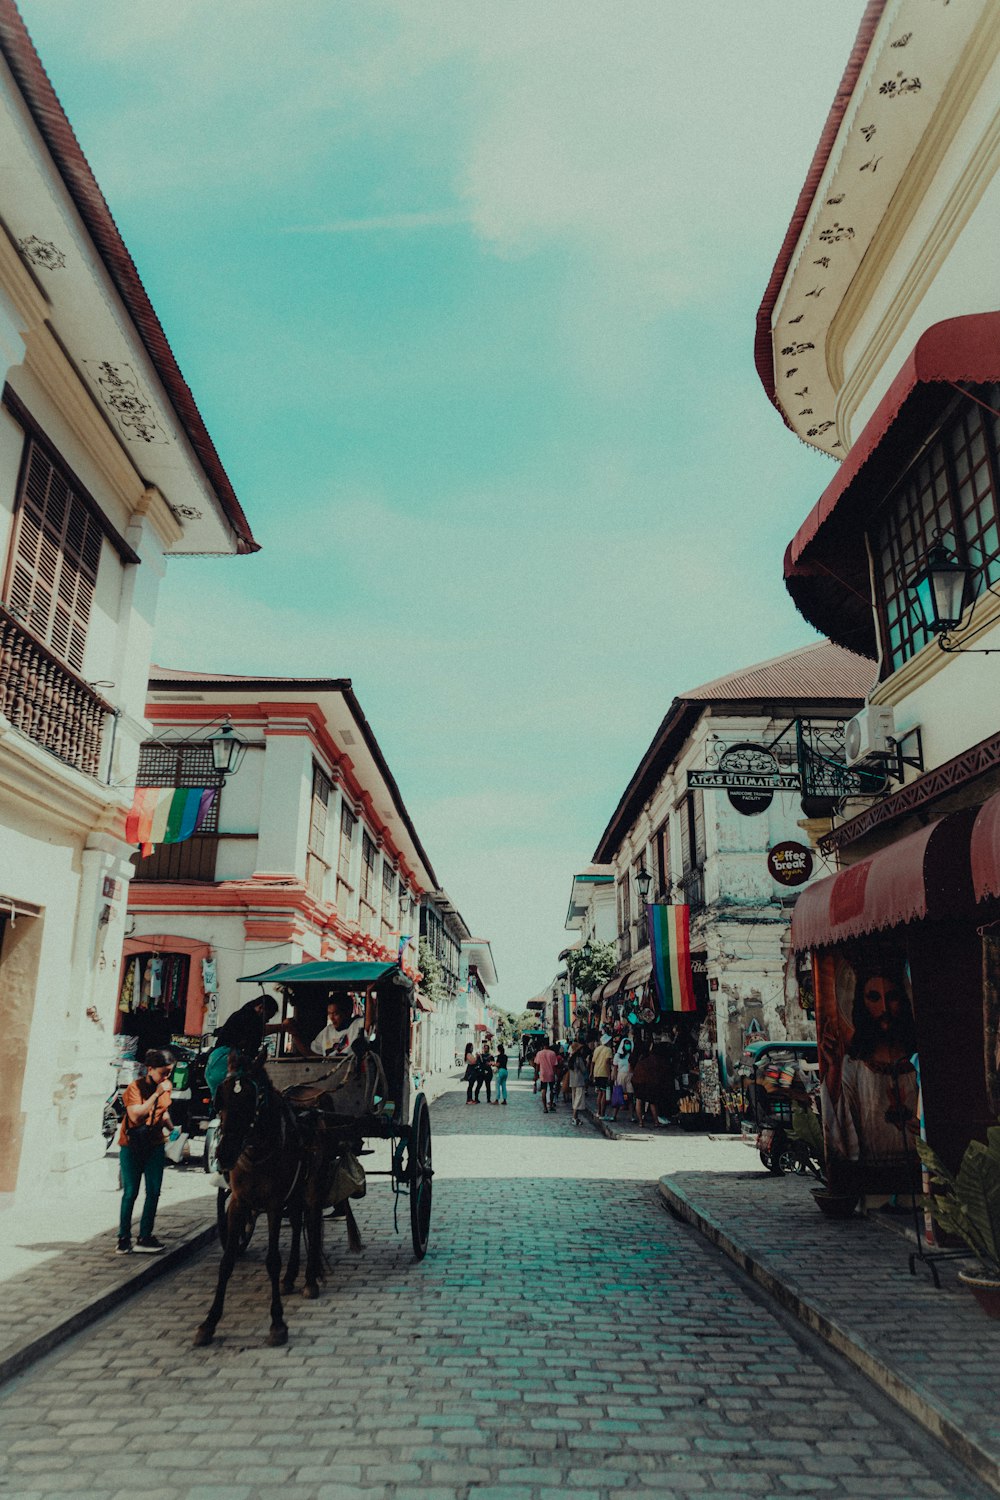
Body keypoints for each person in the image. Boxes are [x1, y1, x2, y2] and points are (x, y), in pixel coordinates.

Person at [828, 966, 919, 1193]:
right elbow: (841, 1122)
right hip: (874, 1174)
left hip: (921, 1169)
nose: (884, 1008)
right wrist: (832, 1069)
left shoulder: (919, 1059)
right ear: (861, 1003)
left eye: (892, 997)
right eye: (874, 998)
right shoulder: (854, 1066)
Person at [117, 1050, 175, 1255]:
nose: (167, 1077)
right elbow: (135, 1115)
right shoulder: (135, 1087)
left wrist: (172, 1128)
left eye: (170, 1073)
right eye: (164, 1072)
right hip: (132, 1144)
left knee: (153, 1191)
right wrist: (156, 1094)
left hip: (155, 1143)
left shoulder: (165, 1087)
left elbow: (163, 1110)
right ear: (150, 1069)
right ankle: (123, 1238)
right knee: (131, 1192)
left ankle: (145, 1236)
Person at [205, 995, 281, 1102]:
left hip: (213, 1061)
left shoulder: (241, 1014)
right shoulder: (254, 1021)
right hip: (225, 1061)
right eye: (268, 1016)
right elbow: (252, 1051)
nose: (267, 1020)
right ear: (261, 1007)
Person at [590, 1033, 614, 1119]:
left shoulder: (597, 1049)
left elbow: (592, 1062)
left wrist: (591, 1073)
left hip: (597, 1073)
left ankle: (599, 1112)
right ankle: (602, 1113)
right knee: (604, 1093)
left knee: (599, 1093)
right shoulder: (608, 1050)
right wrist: (609, 1075)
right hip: (604, 1073)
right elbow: (607, 1062)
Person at [534, 1040, 559, 1114]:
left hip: (543, 1074)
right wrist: (555, 1074)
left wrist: (536, 1074)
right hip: (551, 1073)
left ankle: (545, 1108)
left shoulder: (539, 1053)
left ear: (542, 1046)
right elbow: (555, 1065)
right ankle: (550, 1105)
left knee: (543, 1090)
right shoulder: (552, 1053)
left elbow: (537, 1065)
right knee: (551, 1090)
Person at [568, 1041, 590, 1126]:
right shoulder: (579, 1059)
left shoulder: (571, 1058)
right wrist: (587, 1063)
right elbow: (584, 1070)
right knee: (578, 1100)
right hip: (579, 1081)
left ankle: (576, 1118)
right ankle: (574, 1117)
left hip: (573, 1081)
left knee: (575, 1099)